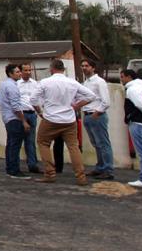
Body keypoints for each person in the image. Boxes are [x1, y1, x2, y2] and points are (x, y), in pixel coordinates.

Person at [33, 57, 97, 185]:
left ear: (51, 69)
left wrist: (40, 112)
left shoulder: (45, 82)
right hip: (69, 119)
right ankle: (81, 176)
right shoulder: (72, 82)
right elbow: (91, 96)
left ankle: (50, 173)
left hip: (50, 118)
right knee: (73, 146)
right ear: (63, 69)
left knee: (43, 142)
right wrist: (77, 106)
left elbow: (33, 99)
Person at [79, 58, 114, 180]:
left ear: (93, 68)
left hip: (96, 115)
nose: (84, 68)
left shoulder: (99, 82)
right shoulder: (85, 83)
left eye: (87, 66)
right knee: (96, 144)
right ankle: (100, 167)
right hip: (87, 114)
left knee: (103, 143)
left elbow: (106, 101)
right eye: (83, 66)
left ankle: (108, 169)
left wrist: (97, 112)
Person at [0, 63, 30, 178]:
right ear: (10, 74)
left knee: (10, 144)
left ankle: (10, 168)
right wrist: (23, 120)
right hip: (14, 118)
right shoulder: (12, 87)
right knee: (15, 145)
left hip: (7, 117)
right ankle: (14, 170)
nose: (20, 74)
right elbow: (16, 107)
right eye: (17, 72)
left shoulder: (4, 84)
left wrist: (4, 106)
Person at [16, 63, 43, 173]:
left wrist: (39, 112)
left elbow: (38, 98)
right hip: (21, 114)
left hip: (32, 113)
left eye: (29, 70)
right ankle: (16, 165)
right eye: (25, 70)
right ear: (21, 71)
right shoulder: (17, 84)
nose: (28, 72)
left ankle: (32, 164)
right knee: (18, 139)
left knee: (30, 140)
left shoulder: (35, 83)